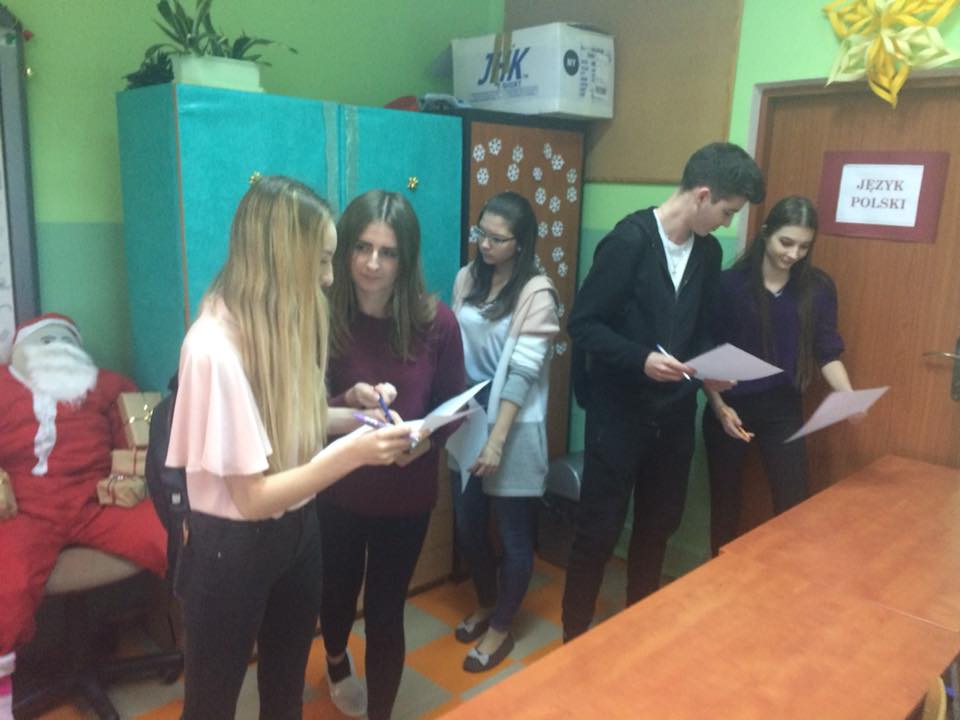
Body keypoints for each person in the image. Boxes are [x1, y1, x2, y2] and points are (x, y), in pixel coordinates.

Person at [165, 176, 415, 720]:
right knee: (210, 705)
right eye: (321, 261)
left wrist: (359, 417)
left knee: (285, 694)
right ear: (281, 257)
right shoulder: (212, 348)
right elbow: (252, 497)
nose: (330, 277)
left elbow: (288, 424)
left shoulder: (281, 320)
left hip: (298, 531)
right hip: (232, 546)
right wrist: (353, 454)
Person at [562, 142, 765, 641]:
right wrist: (641, 359)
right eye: (727, 211)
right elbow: (583, 325)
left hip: (673, 418)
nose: (727, 223)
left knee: (657, 528)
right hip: (619, 415)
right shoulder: (628, 242)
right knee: (599, 530)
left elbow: (698, 333)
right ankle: (574, 638)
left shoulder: (708, 253)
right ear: (702, 195)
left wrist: (711, 376)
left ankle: (639, 631)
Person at [317, 190, 465, 720]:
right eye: (362, 247)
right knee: (336, 594)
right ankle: (336, 660)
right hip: (336, 489)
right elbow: (303, 408)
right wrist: (346, 400)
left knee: (385, 611)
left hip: (405, 496)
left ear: (406, 259)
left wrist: (423, 441)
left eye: (388, 252)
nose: (372, 264)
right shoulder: (321, 314)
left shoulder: (436, 321)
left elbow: (455, 406)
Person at [0, 312, 168, 720]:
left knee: (173, 534)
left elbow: (135, 425)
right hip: (26, 509)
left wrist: (136, 470)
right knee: (6, 584)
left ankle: (215, 636)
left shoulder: (103, 384)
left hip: (97, 497)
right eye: (45, 344)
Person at [703, 195, 856, 555]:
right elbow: (707, 354)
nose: (793, 254)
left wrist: (849, 396)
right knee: (725, 506)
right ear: (766, 233)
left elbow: (826, 351)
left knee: (794, 505)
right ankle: (720, 580)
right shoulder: (729, 285)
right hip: (730, 405)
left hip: (783, 407)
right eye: (786, 242)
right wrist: (719, 407)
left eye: (803, 246)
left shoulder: (818, 288)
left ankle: (786, 582)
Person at [448, 191, 559, 672]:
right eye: (481, 234)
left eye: (497, 239)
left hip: (512, 423)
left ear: (521, 242)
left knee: (513, 535)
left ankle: (501, 628)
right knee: (468, 523)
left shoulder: (537, 293)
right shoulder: (467, 278)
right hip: (467, 417)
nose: (485, 245)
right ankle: (486, 600)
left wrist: (496, 441)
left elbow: (522, 373)